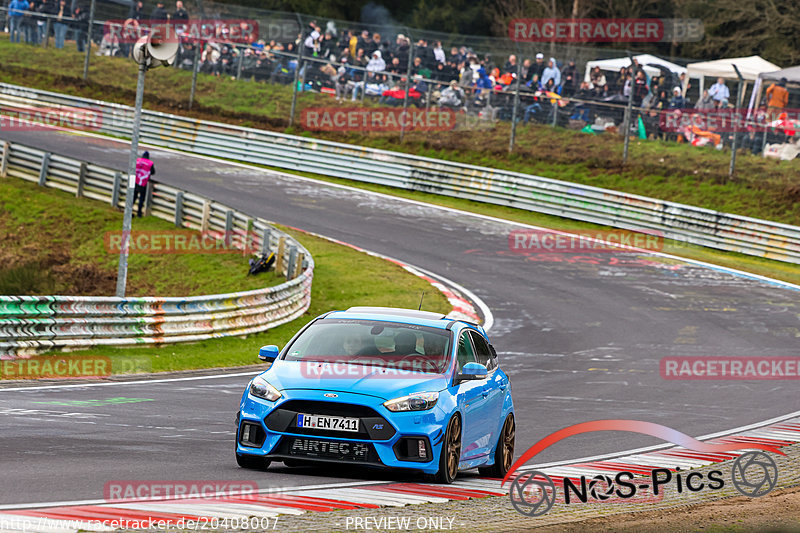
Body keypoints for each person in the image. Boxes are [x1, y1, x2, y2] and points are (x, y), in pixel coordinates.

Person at [134, 151, 155, 218]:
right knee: (141, 198)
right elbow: (153, 172)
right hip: (143, 182)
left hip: (135, 181)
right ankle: (139, 213)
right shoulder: (150, 163)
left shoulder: (137, 160)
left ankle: (129, 211)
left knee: (133, 197)